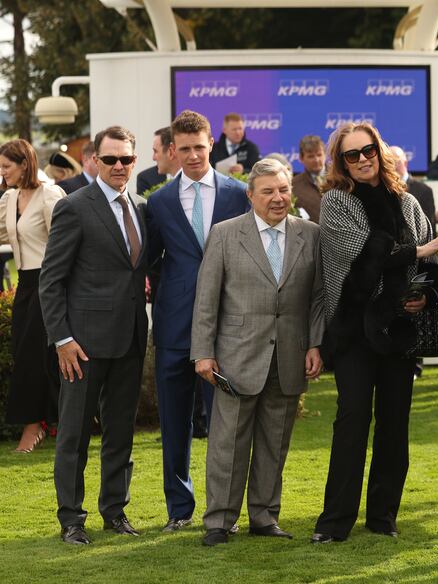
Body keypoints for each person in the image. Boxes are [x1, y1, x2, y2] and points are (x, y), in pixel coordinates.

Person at [311, 122, 438, 543]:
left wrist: (421, 297)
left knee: (395, 425)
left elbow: (427, 269)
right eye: (350, 155)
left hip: (398, 332)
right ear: (341, 163)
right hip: (354, 331)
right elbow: (362, 258)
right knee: (352, 421)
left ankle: (383, 516)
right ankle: (335, 521)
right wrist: (418, 251)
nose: (361, 160)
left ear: (379, 150)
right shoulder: (335, 202)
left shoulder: (408, 203)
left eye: (367, 150)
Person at [191, 158, 325, 546]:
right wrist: (203, 352)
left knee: (274, 442)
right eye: (267, 191)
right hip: (235, 358)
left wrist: (315, 343)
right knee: (227, 445)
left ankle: (264, 517)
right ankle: (219, 521)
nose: (278, 198)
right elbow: (206, 299)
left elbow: (317, 298)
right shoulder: (225, 234)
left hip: (290, 355)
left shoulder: (311, 234)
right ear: (250, 195)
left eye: (283, 190)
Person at [40, 126, 148, 545]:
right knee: (74, 435)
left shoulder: (140, 206)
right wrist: (62, 339)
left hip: (131, 340)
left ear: (134, 161)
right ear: (93, 161)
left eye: (126, 159)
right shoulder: (75, 207)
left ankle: (115, 513)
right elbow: (52, 280)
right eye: (111, 159)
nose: (119, 166)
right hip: (82, 345)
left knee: (120, 434)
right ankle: (71, 520)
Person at [146, 110, 250, 533]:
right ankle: (179, 509)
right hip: (174, 325)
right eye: (183, 148)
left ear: (212, 145)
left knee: (225, 423)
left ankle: (221, 510)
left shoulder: (238, 194)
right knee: (174, 422)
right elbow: (153, 261)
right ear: (173, 150)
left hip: (228, 326)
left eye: (199, 147)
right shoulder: (159, 202)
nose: (191, 155)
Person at [0, 139, 64, 452]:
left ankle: (38, 425)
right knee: (26, 354)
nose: (2, 173)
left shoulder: (50, 195)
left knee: (42, 356)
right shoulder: (10, 198)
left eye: (6, 167)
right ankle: (43, 423)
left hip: (49, 282)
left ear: (25, 164)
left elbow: (63, 244)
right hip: (25, 284)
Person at [390, 146, 436, 228]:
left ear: (405, 163)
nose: (392, 166)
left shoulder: (424, 190)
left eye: (396, 162)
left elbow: (430, 228)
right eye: (388, 162)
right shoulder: (381, 189)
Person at [292, 135, 326, 223]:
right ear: (301, 158)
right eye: (311, 156)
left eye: (319, 155)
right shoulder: (294, 185)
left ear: (325, 155)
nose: (316, 160)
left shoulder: (340, 177)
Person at [137, 127, 179, 195]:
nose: (153, 158)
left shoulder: (195, 180)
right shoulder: (145, 178)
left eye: (155, 151)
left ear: (171, 152)